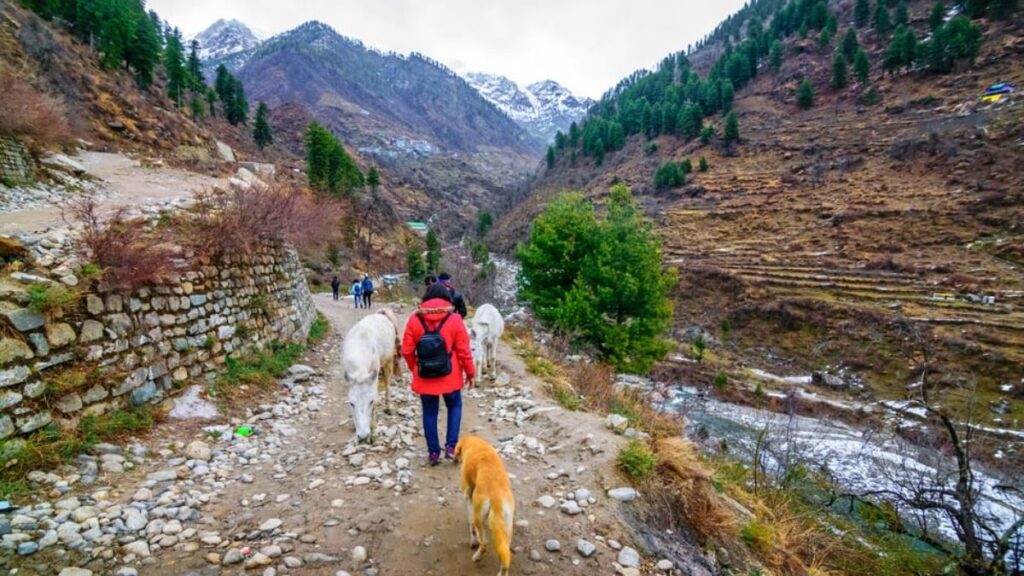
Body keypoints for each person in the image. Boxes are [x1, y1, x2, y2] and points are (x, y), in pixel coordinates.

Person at [402, 284, 475, 465]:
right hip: (450, 376)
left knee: (429, 412)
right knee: (455, 406)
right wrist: (470, 373)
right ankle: (451, 447)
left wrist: (415, 368)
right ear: (447, 298)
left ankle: (433, 453)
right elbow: (464, 351)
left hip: (425, 375)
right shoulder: (455, 319)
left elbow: (406, 350)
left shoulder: (414, 320)